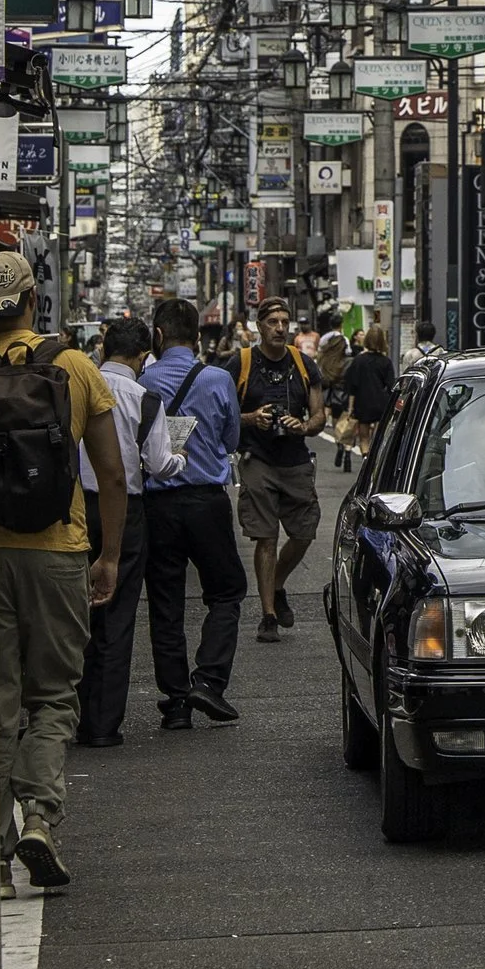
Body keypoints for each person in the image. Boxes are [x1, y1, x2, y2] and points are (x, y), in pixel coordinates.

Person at [0, 255, 126, 896]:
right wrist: (110, 557)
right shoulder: (76, 367)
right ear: (34, 298)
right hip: (60, 551)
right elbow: (112, 475)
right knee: (55, 697)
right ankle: (39, 816)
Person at [141, 294, 246, 728]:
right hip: (207, 501)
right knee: (226, 592)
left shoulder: (142, 380)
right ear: (197, 337)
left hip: (156, 503)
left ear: (158, 335)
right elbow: (232, 439)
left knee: (165, 602)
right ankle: (209, 680)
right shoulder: (218, 379)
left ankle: (176, 701)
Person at [78, 316, 160, 747]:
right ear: (143, 356)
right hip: (125, 511)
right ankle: (102, 724)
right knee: (118, 613)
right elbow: (159, 462)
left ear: (103, 349)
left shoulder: (77, 386)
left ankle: (67, 713)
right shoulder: (145, 399)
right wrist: (181, 458)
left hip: (75, 507)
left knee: (74, 612)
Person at [237, 297, 326, 637]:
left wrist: (302, 426)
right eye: (272, 321)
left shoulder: (304, 364)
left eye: (284, 322)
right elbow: (225, 412)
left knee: (304, 533)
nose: (279, 328)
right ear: (259, 326)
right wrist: (252, 418)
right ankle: (268, 615)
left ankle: (276, 584)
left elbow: (319, 416)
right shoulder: (242, 363)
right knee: (266, 537)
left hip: (295, 460)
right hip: (257, 459)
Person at [343, 322, 397, 461]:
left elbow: (353, 386)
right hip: (381, 402)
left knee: (364, 436)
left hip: (363, 402)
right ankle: (375, 460)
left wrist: (350, 408)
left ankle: (365, 458)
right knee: (378, 436)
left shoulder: (359, 360)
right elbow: (391, 385)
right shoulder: (386, 361)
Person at [316, 330, 354, 471]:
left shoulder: (326, 362)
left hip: (334, 398)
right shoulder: (350, 362)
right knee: (349, 426)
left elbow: (323, 381)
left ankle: (339, 445)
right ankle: (348, 452)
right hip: (348, 397)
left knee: (336, 424)